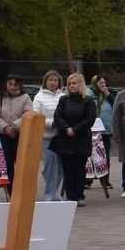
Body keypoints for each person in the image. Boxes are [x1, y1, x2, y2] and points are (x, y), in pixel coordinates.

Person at [50, 73, 98, 206]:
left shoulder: (88, 101)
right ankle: (70, 196)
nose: (71, 86)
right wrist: (66, 128)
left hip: (81, 139)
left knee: (79, 169)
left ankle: (79, 195)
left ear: (81, 84)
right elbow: (57, 116)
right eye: (69, 84)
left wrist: (75, 129)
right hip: (65, 139)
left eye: (74, 83)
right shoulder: (63, 100)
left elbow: (90, 119)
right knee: (68, 169)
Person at [31, 71, 65, 201]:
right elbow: (37, 116)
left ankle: (55, 193)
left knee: (61, 167)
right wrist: (52, 123)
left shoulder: (63, 96)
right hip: (46, 137)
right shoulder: (39, 97)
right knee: (49, 166)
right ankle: (49, 195)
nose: (53, 83)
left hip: (61, 136)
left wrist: (63, 124)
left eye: (55, 80)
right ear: (45, 81)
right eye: (50, 80)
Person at [0, 77, 30, 188]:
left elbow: (28, 114)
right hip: (4, 136)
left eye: (15, 84)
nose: (13, 87)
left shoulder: (25, 98)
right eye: (10, 84)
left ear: (20, 85)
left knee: (21, 165)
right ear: (6, 84)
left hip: (20, 135)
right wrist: (5, 127)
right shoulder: (0, 98)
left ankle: (21, 190)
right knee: (7, 165)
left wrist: (14, 126)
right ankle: (11, 192)